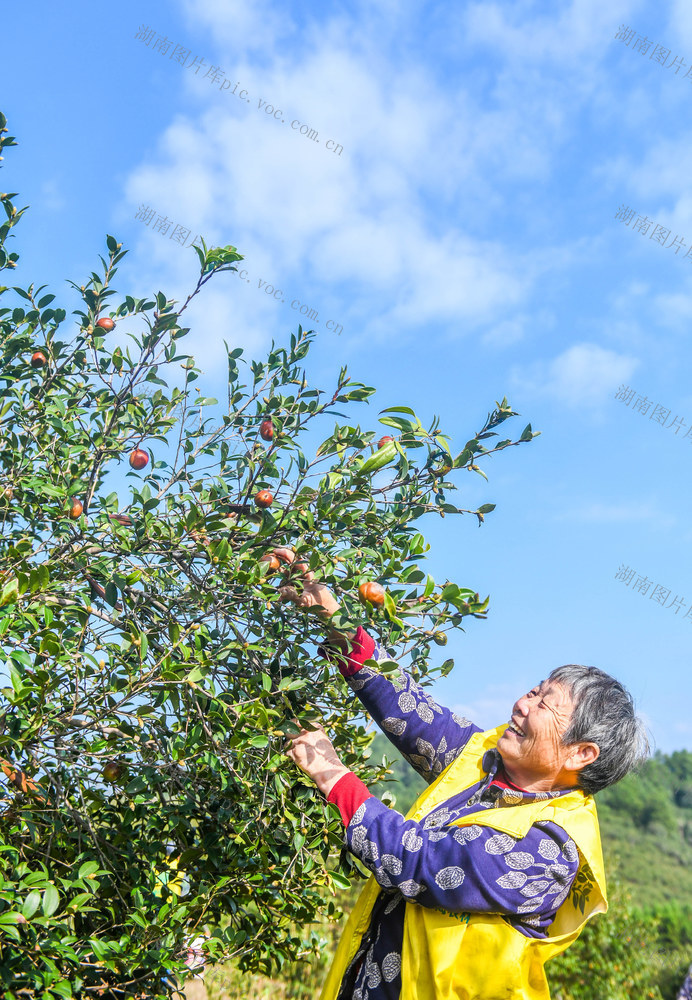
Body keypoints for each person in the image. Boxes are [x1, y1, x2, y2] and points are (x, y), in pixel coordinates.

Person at [276, 549, 650, 1000]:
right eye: (534, 689)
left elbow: (422, 862)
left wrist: (332, 773)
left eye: (544, 704)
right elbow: (405, 706)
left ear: (580, 754)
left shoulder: (550, 849)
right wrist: (331, 615)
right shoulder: (483, 762)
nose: (522, 703)